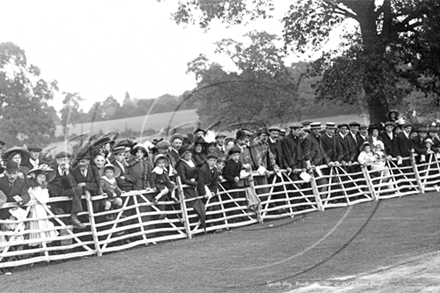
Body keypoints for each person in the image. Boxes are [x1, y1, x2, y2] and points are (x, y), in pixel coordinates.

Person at [47, 151, 85, 229]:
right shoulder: (51, 170)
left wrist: (67, 173)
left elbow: (73, 185)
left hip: (64, 195)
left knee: (78, 190)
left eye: (65, 160)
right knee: (55, 224)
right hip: (53, 197)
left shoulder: (70, 171)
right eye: (61, 160)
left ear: (68, 161)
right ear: (57, 161)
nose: (63, 162)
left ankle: (74, 216)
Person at [27, 166, 59, 247]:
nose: (42, 179)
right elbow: (43, 200)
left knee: (45, 230)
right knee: (37, 231)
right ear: (35, 178)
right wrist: (44, 189)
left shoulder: (41, 187)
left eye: (44, 177)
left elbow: (46, 199)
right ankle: (38, 252)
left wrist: (44, 189)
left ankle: (46, 251)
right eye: (40, 177)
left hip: (42, 211)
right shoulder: (34, 188)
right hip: (36, 212)